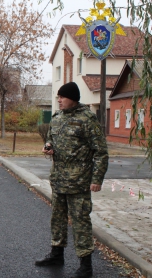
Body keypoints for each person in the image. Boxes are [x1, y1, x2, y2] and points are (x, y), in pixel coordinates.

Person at [35, 82, 109, 278]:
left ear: (73, 98)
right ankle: (56, 254)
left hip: (79, 182)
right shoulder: (57, 118)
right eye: (58, 97)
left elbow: (101, 152)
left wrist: (97, 179)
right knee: (57, 219)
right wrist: (48, 146)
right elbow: (50, 138)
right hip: (58, 180)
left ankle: (86, 266)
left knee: (81, 222)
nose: (59, 100)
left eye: (62, 97)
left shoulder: (87, 119)